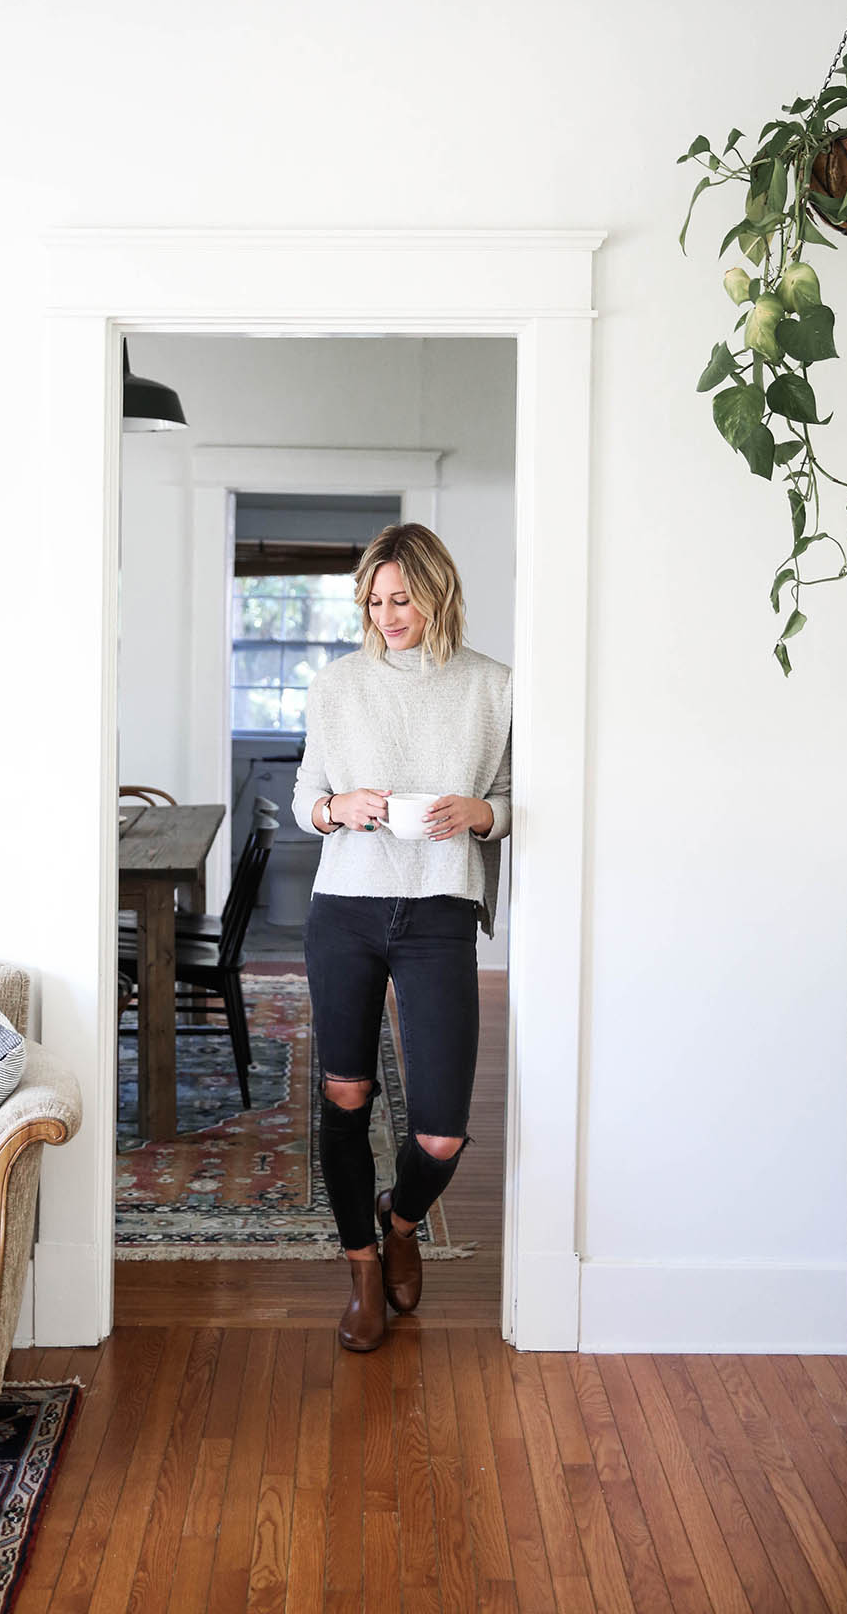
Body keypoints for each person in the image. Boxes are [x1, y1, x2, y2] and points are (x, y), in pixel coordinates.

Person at [292, 522, 512, 1351]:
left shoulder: (494, 687)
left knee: (440, 1131)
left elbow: (518, 795)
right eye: (376, 601)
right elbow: (307, 794)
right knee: (346, 1097)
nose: (388, 615)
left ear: (438, 592)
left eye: (402, 599)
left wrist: (483, 813)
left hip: (438, 912)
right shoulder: (337, 685)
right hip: (345, 905)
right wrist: (334, 810)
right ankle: (360, 1276)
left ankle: (402, 1221)